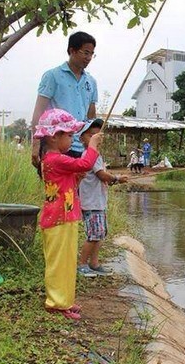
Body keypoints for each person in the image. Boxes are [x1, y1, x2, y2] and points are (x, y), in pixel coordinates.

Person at [34, 108, 103, 321]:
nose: (72, 140)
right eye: (70, 135)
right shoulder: (54, 159)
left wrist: (78, 178)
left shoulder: (55, 160)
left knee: (65, 262)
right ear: (55, 137)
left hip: (65, 218)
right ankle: (56, 303)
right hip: (58, 220)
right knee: (58, 263)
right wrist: (92, 146)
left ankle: (64, 300)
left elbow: (71, 182)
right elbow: (85, 163)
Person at [31, 31, 98, 168]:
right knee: (56, 188)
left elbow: (91, 116)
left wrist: (92, 144)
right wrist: (36, 144)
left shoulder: (91, 82)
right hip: (55, 146)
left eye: (92, 54)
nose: (89, 57)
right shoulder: (52, 76)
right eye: (85, 52)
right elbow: (39, 113)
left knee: (74, 189)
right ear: (72, 50)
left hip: (80, 147)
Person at [77, 118, 126, 277]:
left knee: (100, 234)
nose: (95, 137)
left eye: (98, 135)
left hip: (98, 202)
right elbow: (101, 175)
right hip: (92, 204)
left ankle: (94, 263)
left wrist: (114, 180)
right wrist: (116, 178)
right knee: (93, 235)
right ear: (82, 139)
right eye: (91, 135)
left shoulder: (96, 156)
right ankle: (82, 264)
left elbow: (101, 178)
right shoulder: (91, 156)